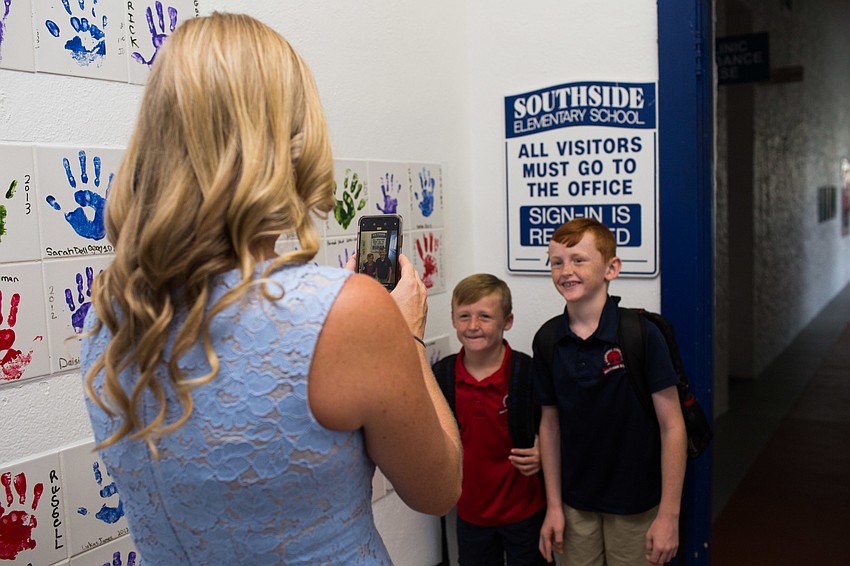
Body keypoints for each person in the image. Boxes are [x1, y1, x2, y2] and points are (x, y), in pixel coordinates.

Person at [79, 13, 461, 565]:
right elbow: (439, 487)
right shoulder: (346, 310)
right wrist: (408, 339)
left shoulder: (113, 315)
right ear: (287, 142)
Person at [533, 218, 687, 566]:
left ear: (611, 268)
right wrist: (554, 506)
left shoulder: (641, 335)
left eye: (578, 260)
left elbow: (673, 427)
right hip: (574, 507)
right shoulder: (547, 340)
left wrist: (669, 515)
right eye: (556, 262)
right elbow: (550, 426)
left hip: (637, 506)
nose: (565, 271)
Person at [432, 274, 548, 566]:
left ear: (507, 321)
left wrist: (543, 452)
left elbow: (558, 426)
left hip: (526, 512)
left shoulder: (527, 373)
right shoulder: (442, 377)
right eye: (464, 316)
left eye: (485, 316)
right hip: (470, 515)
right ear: (453, 319)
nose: (473, 326)